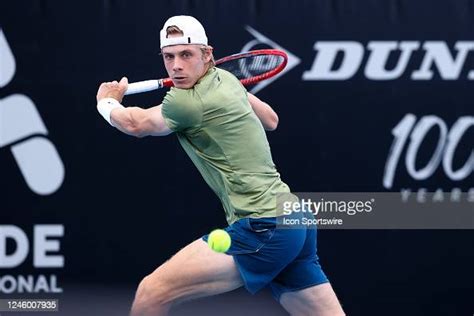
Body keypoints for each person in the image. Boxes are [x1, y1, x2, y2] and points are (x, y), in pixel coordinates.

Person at [96, 15, 345, 316]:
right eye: (169, 57)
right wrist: (235, 96)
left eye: (186, 55)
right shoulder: (227, 80)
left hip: (263, 226)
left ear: (207, 55)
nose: (176, 66)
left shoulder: (184, 102)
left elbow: (137, 124)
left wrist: (107, 102)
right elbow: (271, 119)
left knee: (152, 292)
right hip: (294, 222)